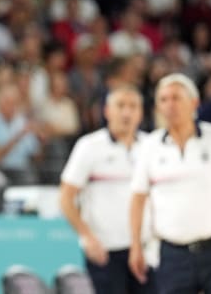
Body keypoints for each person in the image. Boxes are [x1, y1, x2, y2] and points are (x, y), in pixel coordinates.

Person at [129, 73, 211, 294]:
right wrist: (136, 245)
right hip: (172, 254)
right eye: (163, 99)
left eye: (176, 98)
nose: (170, 105)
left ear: (194, 103)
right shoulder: (149, 146)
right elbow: (137, 199)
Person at [59, 85, 156, 294]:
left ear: (141, 113)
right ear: (107, 111)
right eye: (120, 105)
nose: (126, 112)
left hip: (147, 250)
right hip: (106, 250)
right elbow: (66, 198)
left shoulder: (152, 146)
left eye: (133, 106)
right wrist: (87, 237)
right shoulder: (89, 146)